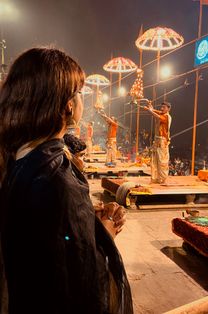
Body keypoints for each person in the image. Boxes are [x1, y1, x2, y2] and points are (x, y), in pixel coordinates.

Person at [0, 47, 133, 314]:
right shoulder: (57, 178)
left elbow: (49, 234)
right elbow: (82, 275)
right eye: (80, 92)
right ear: (68, 104)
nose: (82, 99)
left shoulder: (19, 157)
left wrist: (87, 217)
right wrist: (106, 230)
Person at [144, 101, 172, 183]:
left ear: (168, 109)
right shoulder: (162, 113)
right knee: (154, 160)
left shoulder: (167, 117)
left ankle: (162, 179)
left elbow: (157, 116)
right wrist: (150, 107)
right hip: (157, 141)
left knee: (162, 160)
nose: (162, 109)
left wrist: (150, 111)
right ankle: (155, 178)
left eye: (164, 107)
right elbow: (156, 111)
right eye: (161, 107)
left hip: (162, 141)